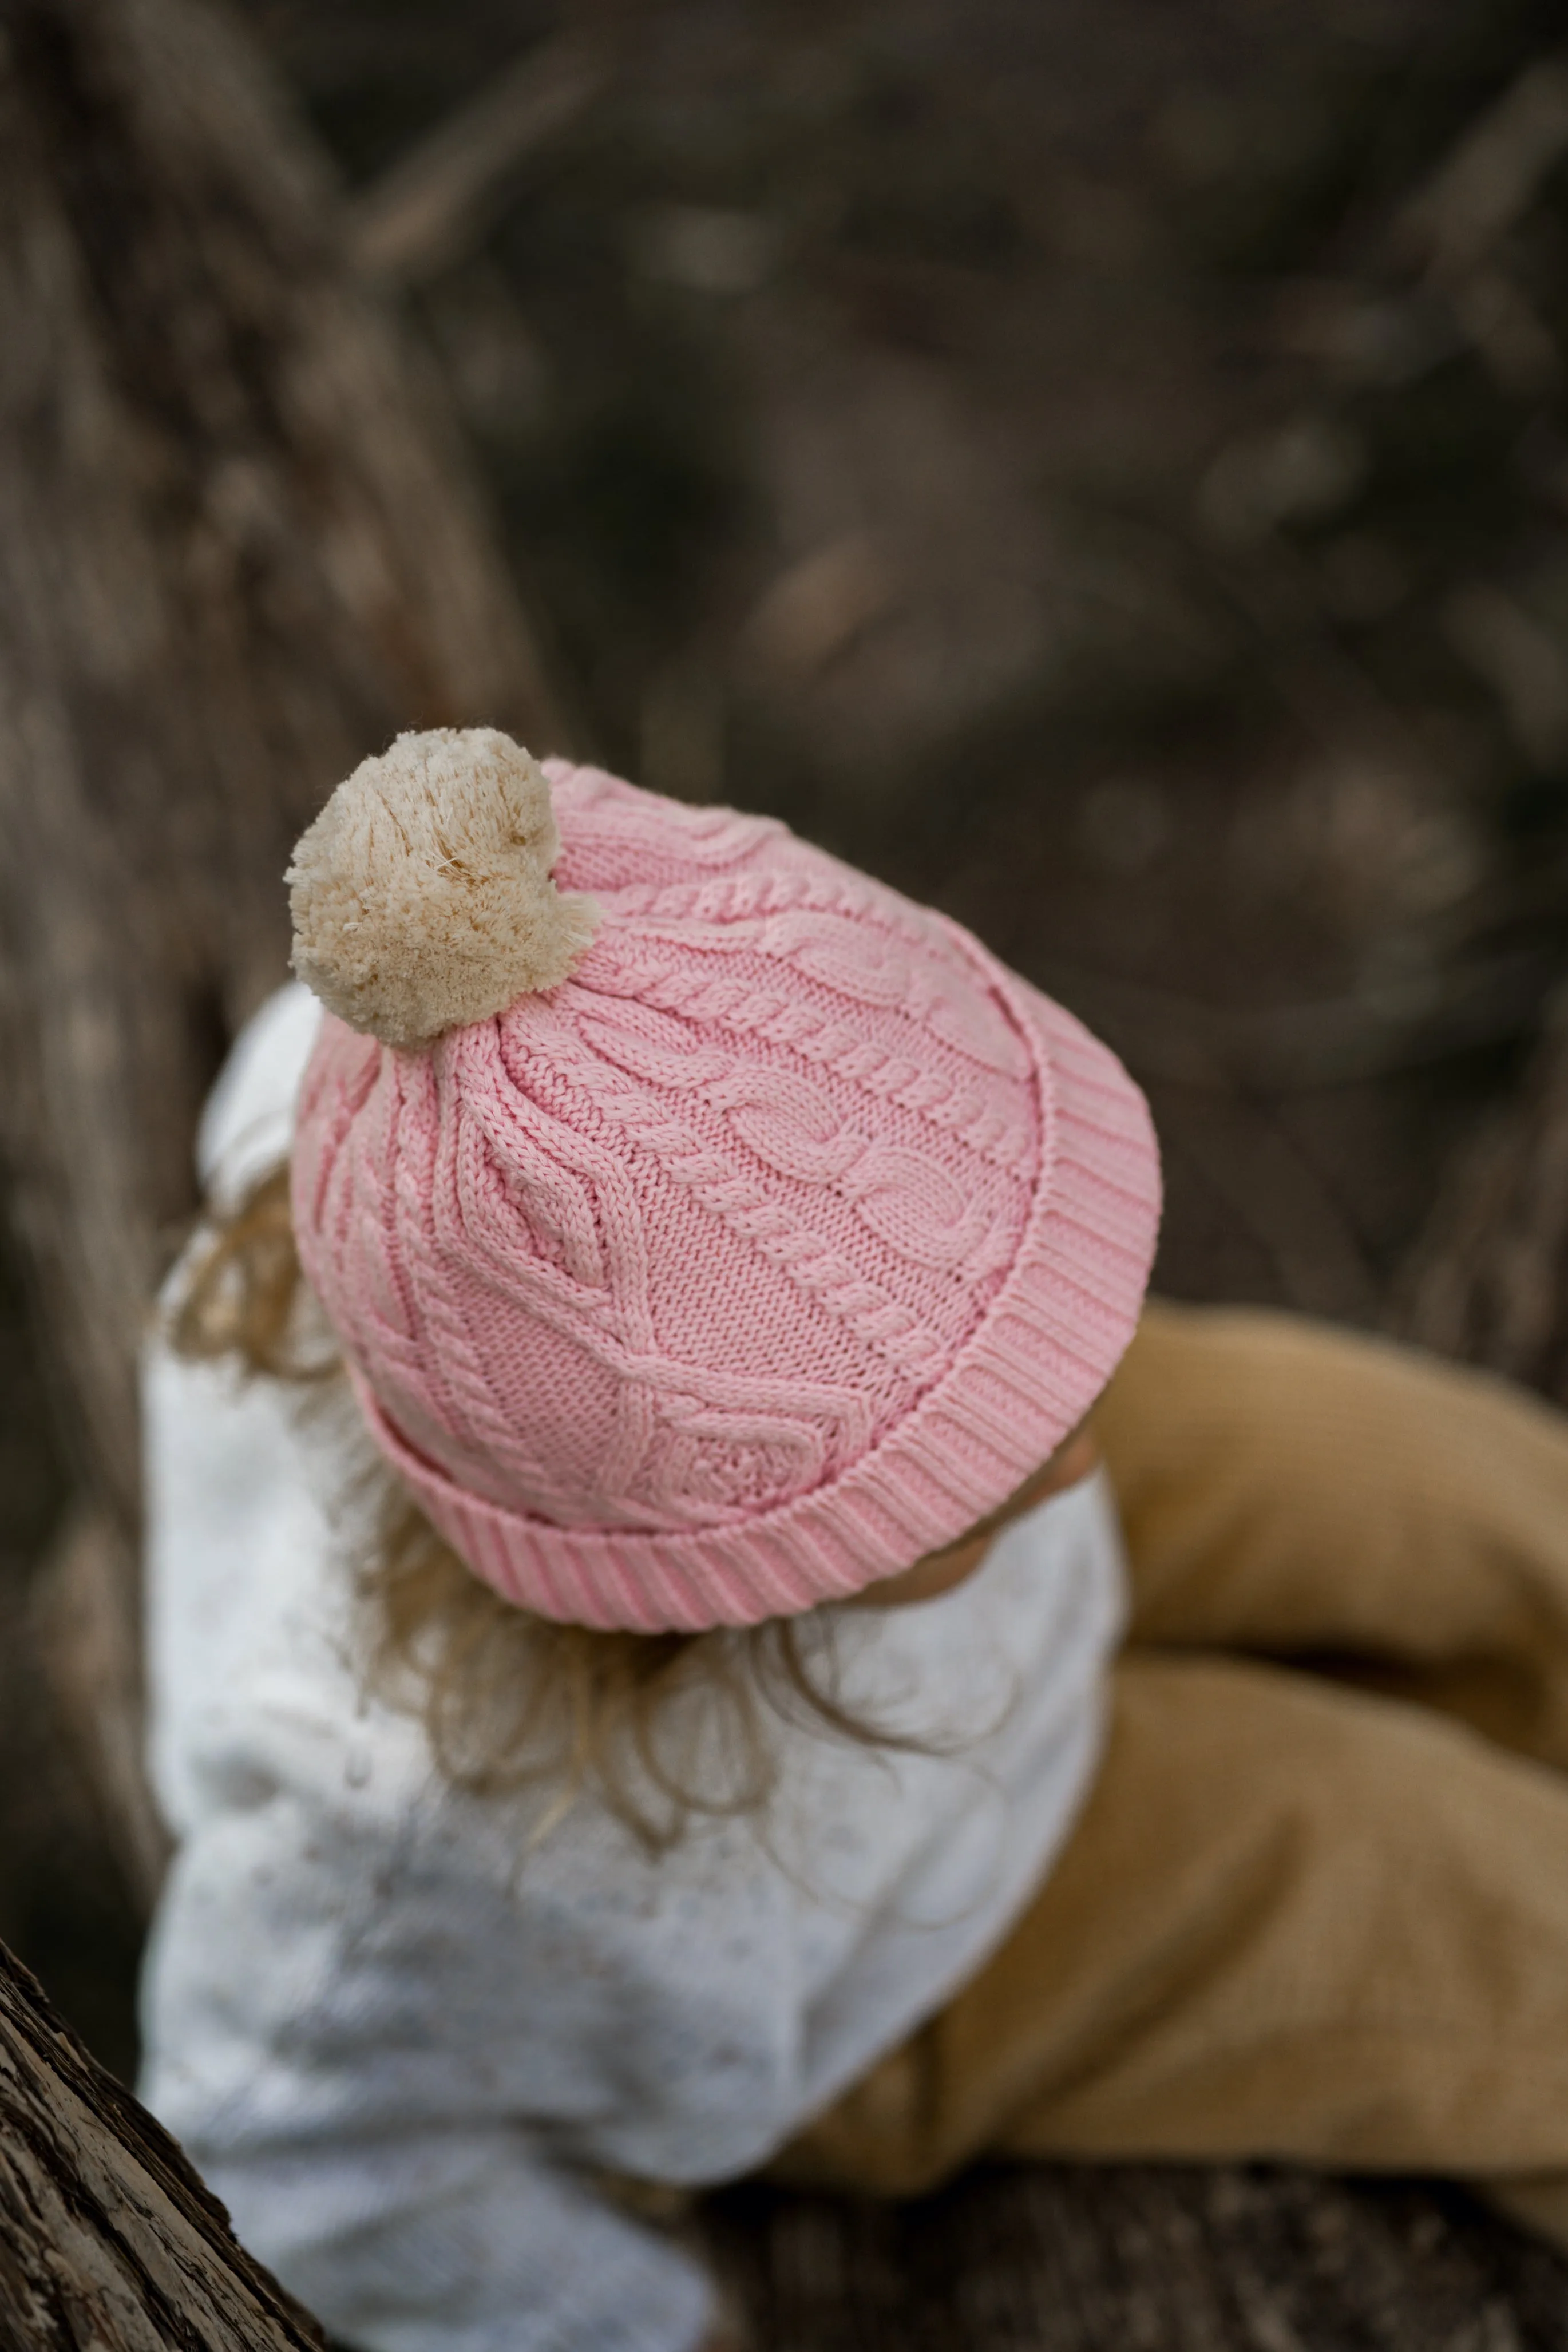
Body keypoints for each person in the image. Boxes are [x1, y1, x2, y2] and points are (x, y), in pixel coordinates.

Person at [140, 727, 1568, 2352]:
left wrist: (976, 1402)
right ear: (693, 1583)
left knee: (1425, 1484)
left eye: (1062, 1357)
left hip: (886, 1409)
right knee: (1461, 1906)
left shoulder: (409, 1081)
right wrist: (634, 2323)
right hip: (911, 1919)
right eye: (969, 1472)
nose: (1078, 1451)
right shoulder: (432, 1855)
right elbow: (292, 2144)